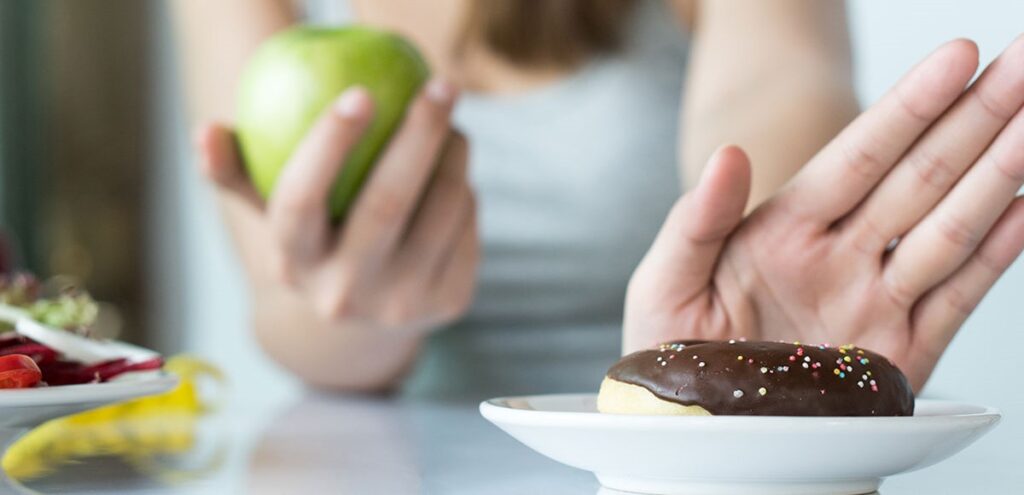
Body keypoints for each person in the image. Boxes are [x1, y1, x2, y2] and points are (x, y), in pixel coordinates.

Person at [170, 0, 1024, 396]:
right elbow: (284, 309)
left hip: (694, 455)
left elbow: (775, 83)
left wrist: (773, 261)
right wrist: (358, 315)